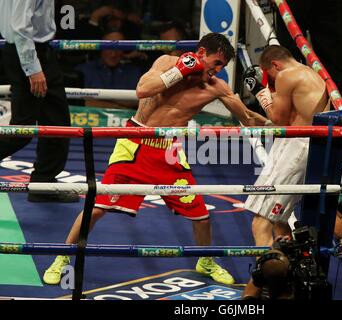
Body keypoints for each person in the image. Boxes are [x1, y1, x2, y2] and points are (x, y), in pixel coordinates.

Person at [43, 32, 268, 285]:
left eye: (222, 67)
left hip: (169, 151)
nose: (217, 71)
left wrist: (267, 101)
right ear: (201, 53)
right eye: (216, 63)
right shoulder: (166, 63)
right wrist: (180, 71)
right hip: (135, 143)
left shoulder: (216, 88)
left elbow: (248, 118)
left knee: (201, 214)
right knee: (97, 208)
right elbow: (142, 90)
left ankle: (205, 260)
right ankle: (62, 256)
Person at [243, 45, 330, 247]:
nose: (272, 81)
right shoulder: (310, 73)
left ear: (275, 65)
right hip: (307, 146)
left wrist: (260, 92)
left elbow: (279, 120)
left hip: (295, 148)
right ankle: (289, 271)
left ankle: (263, 278)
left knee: (260, 223)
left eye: (270, 76)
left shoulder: (286, 75)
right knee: (280, 221)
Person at [0, 0, 78, 202]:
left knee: (57, 121)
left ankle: (43, 183)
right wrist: (32, 68)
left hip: (37, 51)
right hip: (28, 52)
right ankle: (43, 182)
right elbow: (20, 26)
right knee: (21, 130)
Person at [76, 29, 143, 109]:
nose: (113, 54)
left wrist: (100, 101)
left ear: (124, 49)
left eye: (119, 48)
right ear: (100, 47)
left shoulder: (134, 72)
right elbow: (83, 102)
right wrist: (121, 106)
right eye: (109, 47)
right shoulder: (84, 70)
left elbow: (139, 102)